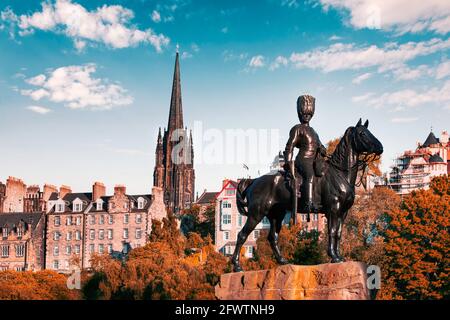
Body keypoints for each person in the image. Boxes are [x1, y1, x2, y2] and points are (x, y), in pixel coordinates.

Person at [284, 95, 327, 219]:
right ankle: (308, 203)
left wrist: (323, 149)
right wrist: (288, 162)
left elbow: (320, 145)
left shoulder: (314, 131)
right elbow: (290, 147)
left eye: (309, 114)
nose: (306, 116)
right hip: (303, 160)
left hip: (315, 160)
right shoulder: (297, 129)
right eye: (304, 113)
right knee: (310, 174)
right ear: (300, 114)